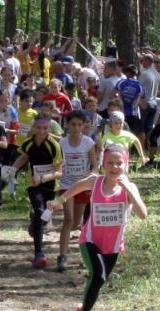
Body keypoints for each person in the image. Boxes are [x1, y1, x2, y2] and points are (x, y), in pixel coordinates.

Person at [47, 144, 147, 311]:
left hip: (113, 244)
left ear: (126, 164)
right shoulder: (96, 181)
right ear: (103, 164)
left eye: (119, 163)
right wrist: (61, 199)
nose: (114, 167)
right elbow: (77, 186)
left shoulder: (129, 188)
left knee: (98, 281)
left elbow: (142, 214)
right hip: (90, 239)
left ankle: (82, 310)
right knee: (98, 275)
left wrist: (128, 189)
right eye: (110, 163)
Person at [11, 114, 63, 269]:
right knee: (41, 210)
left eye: (45, 128)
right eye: (38, 128)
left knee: (44, 216)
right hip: (32, 183)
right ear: (34, 127)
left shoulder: (54, 146)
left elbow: (59, 171)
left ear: (49, 128)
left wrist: (43, 178)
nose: (41, 131)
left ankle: (35, 223)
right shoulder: (28, 143)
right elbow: (24, 158)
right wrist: (12, 169)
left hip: (49, 184)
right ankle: (39, 254)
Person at [56, 111, 98, 272]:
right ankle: (62, 257)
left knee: (76, 223)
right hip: (66, 185)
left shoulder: (88, 142)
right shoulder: (62, 143)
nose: (76, 127)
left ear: (84, 125)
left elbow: (94, 164)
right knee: (68, 218)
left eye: (79, 124)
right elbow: (57, 164)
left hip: (82, 185)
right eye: (73, 124)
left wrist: (93, 174)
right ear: (67, 125)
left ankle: (79, 252)